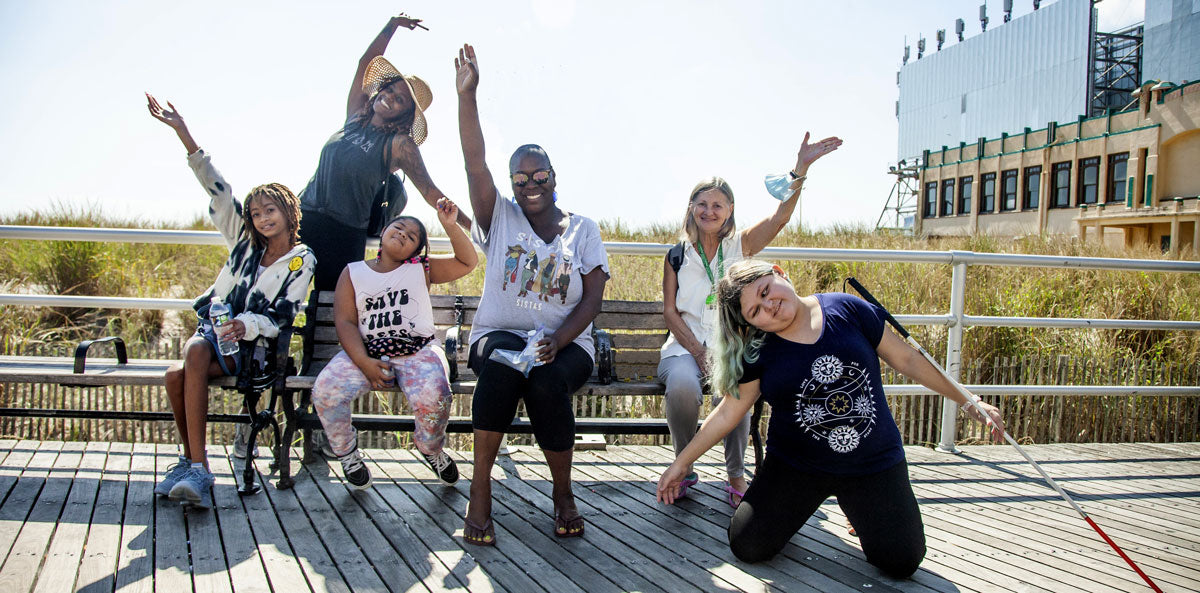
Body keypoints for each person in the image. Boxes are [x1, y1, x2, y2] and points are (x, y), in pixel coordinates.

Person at [656, 260, 1005, 577]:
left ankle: (860, 509)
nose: (769, 306)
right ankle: (804, 507)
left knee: (901, 562)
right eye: (755, 311)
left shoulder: (848, 308)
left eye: (766, 291)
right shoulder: (756, 350)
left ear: (778, 272)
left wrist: (969, 401)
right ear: (748, 324)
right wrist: (682, 464)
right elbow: (729, 411)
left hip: (873, 463)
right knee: (748, 545)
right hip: (796, 466)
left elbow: (909, 361)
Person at [455, 44, 610, 545]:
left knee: (544, 381)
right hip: (498, 335)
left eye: (539, 175)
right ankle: (480, 495)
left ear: (554, 178)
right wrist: (468, 96)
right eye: (520, 178)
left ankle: (563, 495)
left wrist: (559, 341)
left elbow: (591, 299)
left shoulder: (583, 229)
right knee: (502, 366)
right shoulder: (499, 216)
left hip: (566, 344)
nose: (529, 183)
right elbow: (474, 162)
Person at [147, 94, 315, 510]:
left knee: (193, 350)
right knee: (174, 373)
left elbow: (283, 316)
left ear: (289, 212)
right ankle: (193, 464)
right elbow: (217, 190)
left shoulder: (301, 258)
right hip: (215, 336)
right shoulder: (244, 244)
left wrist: (246, 325)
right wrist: (185, 135)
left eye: (270, 210)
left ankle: (199, 469)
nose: (262, 219)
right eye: (255, 213)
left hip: (253, 350)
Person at [660, 134, 841, 508]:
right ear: (691, 207)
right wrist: (696, 352)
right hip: (684, 345)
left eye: (718, 205)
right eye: (702, 204)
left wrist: (800, 169)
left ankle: (735, 473)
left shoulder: (739, 246)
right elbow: (669, 312)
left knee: (739, 388)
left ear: (729, 211)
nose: (709, 211)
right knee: (681, 388)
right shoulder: (677, 255)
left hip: (729, 345)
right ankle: (685, 466)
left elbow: (781, 217)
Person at [309, 199, 477, 490]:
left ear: (416, 250)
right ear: (385, 230)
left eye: (412, 237)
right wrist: (363, 363)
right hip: (367, 352)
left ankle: (430, 449)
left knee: (435, 395)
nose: (403, 234)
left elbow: (467, 262)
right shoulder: (353, 272)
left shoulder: (420, 268)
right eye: (399, 227)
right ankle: (346, 453)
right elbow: (346, 322)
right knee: (325, 390)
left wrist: (450, 226)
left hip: (417, 351)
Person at [298, 13, 469, 292]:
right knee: (276, 292)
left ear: (406, 113)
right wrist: (391, 27)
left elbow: (430, 191)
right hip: (304, 218)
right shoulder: (354, 117)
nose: (389, 97)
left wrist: (473, 227)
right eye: (389, 89)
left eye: (399, 98)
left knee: (325, 314)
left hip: (344, 232)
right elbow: (364, 64)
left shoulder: (399, 145)